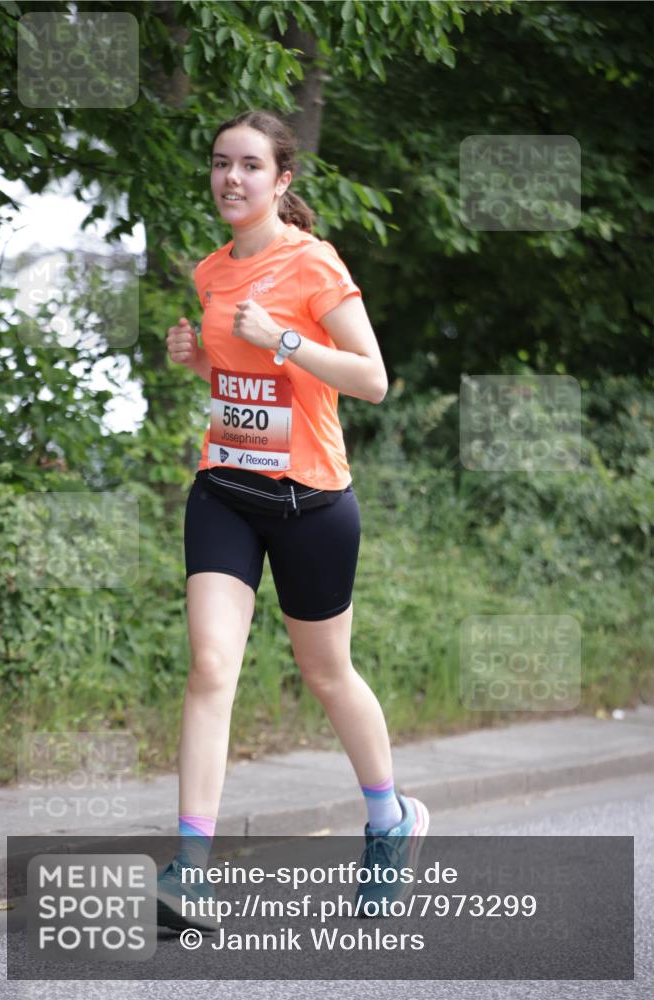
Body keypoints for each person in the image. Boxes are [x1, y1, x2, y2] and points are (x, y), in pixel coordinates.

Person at [158, 110, 429, 930]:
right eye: (219, 164)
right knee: (211, 665)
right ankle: (190, 870)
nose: (229, 179)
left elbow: (372, 379)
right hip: (227, 488)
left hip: (310, 501)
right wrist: (200, 359)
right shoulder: (209, 273)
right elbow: (240, 392)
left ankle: (389, 821)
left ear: (281, 181)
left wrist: (281, 337)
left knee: (325, 673)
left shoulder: (312, 265)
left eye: (248, 166)